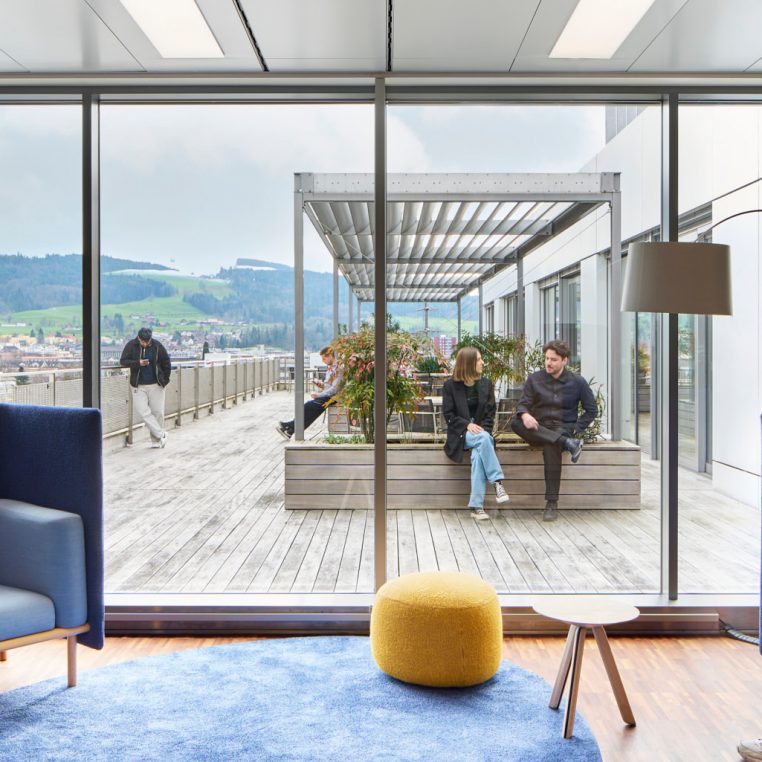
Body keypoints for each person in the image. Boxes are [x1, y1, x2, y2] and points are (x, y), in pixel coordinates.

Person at [510, 339, 597, 522]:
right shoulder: (534, 379)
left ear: (565, 360)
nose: (548, 363)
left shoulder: (578, 382)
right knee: (516, 423)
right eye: (547, 358)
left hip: (563, 427)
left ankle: (551, 503)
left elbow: (591, 410)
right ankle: (568, 443)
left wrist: (575, 429)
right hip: (537, 428)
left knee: (552, 444)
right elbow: (523, 404)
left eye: (554, 359)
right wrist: (525, 415)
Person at [442, 346, 509, 521]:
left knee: (479, 453)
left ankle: (477, 506)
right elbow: (448, 415)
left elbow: (490, 414)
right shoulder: (450, 386)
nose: (482, 363)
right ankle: (497, 481)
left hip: (481, 435)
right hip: (460, 435)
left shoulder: (486, 384)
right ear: (469, 363)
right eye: (479, 360)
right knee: (483, 440)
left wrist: (483, 430)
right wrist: (467, 425)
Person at [276, 346, 343, 440]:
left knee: (310, 406)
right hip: (329, 396)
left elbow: (335, 389)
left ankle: (290, 427)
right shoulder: (330, 368)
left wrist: (319, 395)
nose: (323, 361)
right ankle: (290, 430)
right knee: (310, 408)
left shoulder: (338, 369)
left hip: (335, 397)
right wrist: (322, 385)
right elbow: (329, 386)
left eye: (324, 358)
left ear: (330, 356)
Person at [120, 327, 172, 449]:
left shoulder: (157, 346)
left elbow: (167, 363)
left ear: (150, 339)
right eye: (142, 341)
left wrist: (165, 380)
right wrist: (137, 363)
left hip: (156, 385)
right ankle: (162, 434)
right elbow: (123, 361)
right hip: (138, 385)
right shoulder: (131, 345)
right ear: (138, 338)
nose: (144, 343)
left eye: (147, 341)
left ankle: (156, 441)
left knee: (158, 412)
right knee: (143, 412)